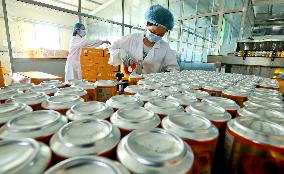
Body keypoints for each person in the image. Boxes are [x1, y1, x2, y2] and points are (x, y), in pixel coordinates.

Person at [109, 4, 180, 74]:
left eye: (160, 34)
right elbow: (112, 48)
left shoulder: (165, 47)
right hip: (130, 82)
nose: (156, 36)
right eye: (153, 31)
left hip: (151, 84)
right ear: (147, 24)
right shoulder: (132, 39)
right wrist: (122, 54)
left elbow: (173, 68)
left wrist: (166, 75)